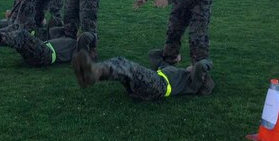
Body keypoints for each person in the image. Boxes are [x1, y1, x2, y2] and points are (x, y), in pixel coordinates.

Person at [71, 48, 215, 100]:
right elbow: (153, 55)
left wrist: (206, 63)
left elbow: (202, 65)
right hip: (148, 86)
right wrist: (171, 55)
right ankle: (88, 74)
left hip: (158, 86)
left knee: (125, 64)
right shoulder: (173, 69)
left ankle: (93, 71)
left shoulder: (191, 82)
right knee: (123, 71)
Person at [0, 23, 96, 68]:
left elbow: (87, 37)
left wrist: (93, 40)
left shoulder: (79, 49)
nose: (80, 32)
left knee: (22, 35)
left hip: (45, 54)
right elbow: (54, 25)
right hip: (40, 52)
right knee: (18, 36)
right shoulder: (70, 40)